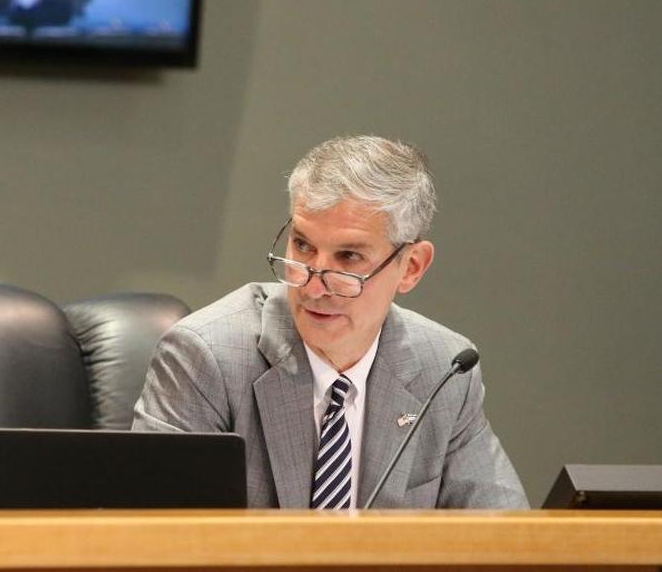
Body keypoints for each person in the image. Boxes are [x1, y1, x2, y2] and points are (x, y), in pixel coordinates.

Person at [133, 135, 528, 509]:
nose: (312, 283)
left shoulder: (444, 370)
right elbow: (158, 542)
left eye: (349, 258)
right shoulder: (207, 358)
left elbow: (507, 536)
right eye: (303, 246)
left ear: (411, 267)